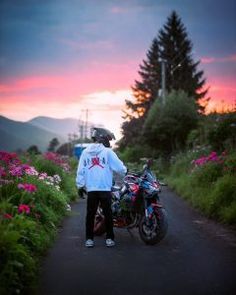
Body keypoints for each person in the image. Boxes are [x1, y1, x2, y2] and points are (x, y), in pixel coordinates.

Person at [76, 127, 127, 248]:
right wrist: (126, 171)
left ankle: (89, 239)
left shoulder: (85, 152)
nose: (109, 142)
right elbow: (119, 167)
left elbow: (80, 171)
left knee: (90, 214)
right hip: (105, 188)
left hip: (91, 189)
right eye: (108, 139)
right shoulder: (108, 152)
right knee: (108, 214)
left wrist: (80, 186)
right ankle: (109, 238)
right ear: (102, 138)